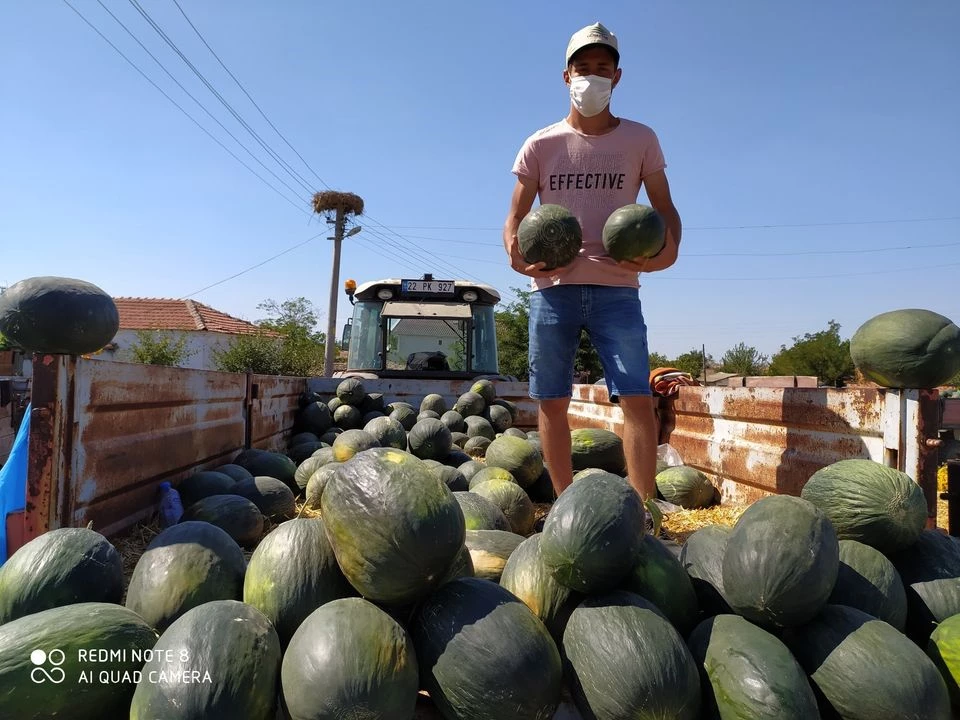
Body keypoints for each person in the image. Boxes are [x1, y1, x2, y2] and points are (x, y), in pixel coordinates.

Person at [502, 22, 682, 503]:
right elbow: (515, 218)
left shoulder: (641, 139)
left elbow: (664, 208)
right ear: (566, 76)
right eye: (583, 69)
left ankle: (641, 509)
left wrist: (667, 253)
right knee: (552, 401)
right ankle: (565, 505)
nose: (591, 78)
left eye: (602, 69)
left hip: (619, 289)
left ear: (617, 77)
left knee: (638, 400)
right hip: (553, 291)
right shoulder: (540, 144)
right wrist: (518, 260)